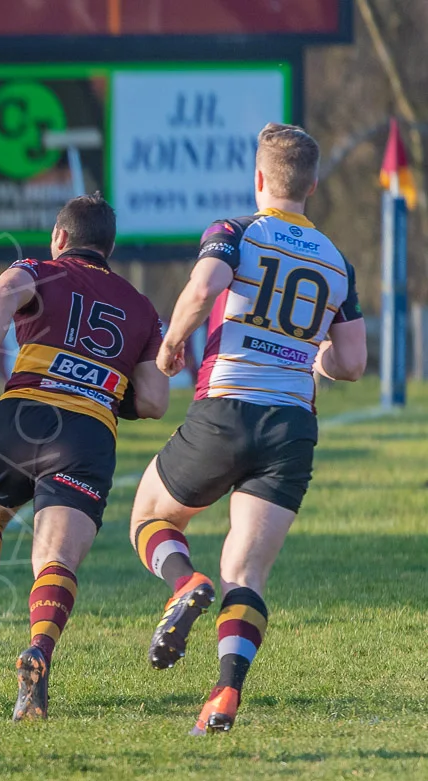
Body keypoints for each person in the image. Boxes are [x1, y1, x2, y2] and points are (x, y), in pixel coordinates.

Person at [127, 123, 367, 736]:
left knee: (149, 516)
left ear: (259, 179)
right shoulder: (339, 262)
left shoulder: (235, 232)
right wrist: (314, 357)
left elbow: (205, 287)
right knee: (248, 572)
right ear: (311, 185)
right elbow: (353, 363)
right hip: (292, 427)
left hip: (227, 408)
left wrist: (174, 343)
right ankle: (224, 695)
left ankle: (184, 582)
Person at [0, 194, 170, 721]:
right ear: (109, 249)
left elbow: (5, 291)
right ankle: (38, 655)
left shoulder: (39, 269)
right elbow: (154, 401)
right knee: (55, 559)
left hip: (20, 419)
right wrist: (103, 381)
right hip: (84, 435)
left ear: (59, 237)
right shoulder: (142, 309)